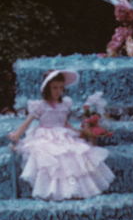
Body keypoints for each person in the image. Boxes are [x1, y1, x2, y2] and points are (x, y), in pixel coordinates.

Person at [8, 69, 115, 201]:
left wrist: (79, 132)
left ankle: (75, 189)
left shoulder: (65, 104)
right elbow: (28, 121)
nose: (58, 91)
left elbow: (65, 123)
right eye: (54, 88)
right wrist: (17, 134)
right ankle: (52, 189)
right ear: (47, 89)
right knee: (49, 156)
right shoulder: (40, 105)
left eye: (61, 88)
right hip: (45, 135)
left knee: (75, 154)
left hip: (63, 134)